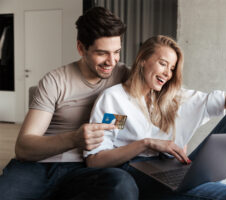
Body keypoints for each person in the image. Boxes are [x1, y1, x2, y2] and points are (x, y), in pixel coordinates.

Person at [85, 35, 226, 200]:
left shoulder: (174, 98)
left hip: (174, 170)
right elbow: (95, 161)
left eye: (172, 68)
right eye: (162, 63)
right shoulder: (114, 100)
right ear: (142, 60)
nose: (168, 73)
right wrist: (146, 144)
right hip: (137, 174)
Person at [0, 7, 139, 200]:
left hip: (86, 168)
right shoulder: (55, 81)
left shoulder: (125, 76)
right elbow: (23, 148)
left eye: (116, 52)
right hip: (39, 166)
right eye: (102, 53)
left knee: (122, 185)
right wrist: (74, 139)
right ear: (81, 48)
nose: (112, 61)